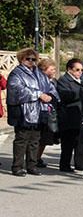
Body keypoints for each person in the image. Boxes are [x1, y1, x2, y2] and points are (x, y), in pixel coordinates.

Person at [6, 48, 57, 176]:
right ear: (21, 59)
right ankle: (17, 166)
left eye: (33, 59)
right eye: (28, 59)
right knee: (22, 139)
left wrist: (51, 96)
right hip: (22, 111)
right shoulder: (16, 74)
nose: (31, 61)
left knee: (35, 140)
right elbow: (17, 90)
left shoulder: (38, 73)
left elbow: (49, 86)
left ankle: (32, 165)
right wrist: (38, 94)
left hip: (39, 110)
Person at [56, 59, 83, 173]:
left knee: (79, 142)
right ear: (69, 69)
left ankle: (79, 163)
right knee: (67, 143)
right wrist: (81, 93)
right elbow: (65, 95)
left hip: (80, 115)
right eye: (77, 70)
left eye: (82, 70)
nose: (80, 72)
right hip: (68, 116)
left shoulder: (82, 80)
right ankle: (64, 164)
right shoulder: (63, 80)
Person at [35, 58, 60, 169]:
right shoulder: (39, 80)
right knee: (38, 138)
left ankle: (37, 157)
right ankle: (33, 158)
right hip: (40, 111)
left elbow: (56, 95)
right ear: (44, 69)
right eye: (51, 69)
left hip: (50, 111)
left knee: (45, 138)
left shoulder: (53, 81)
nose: (54, 71)